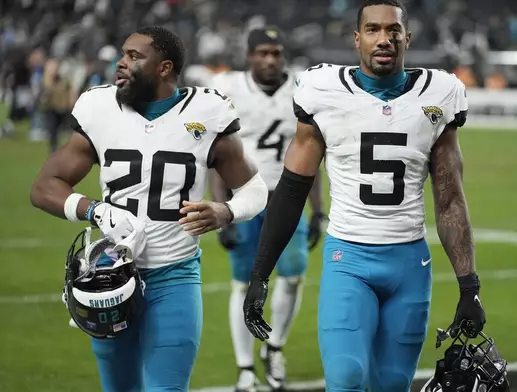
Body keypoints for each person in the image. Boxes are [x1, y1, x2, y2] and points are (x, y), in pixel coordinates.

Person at [242, 1, 487, 391]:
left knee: (392, 384)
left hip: (409, 264)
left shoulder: (439, 94)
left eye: (393, 30)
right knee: (346, 378)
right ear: (357, 39)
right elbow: (291, 189)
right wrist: (260, 273)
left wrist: (469, 287)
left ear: (407, 37)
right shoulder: (323, 91)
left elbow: (450, 199)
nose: (384, 38)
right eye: (373, 29)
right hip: (348, 262)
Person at [30, 26, 268, 392]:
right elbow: (44, 187)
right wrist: (94, 210)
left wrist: (226, 212)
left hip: (175, 276)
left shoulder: (206, 112)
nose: (121, 63)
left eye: (134, 56)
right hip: (110, 277)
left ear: (164, 67)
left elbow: (254, 188)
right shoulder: (99, 108)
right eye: (123, 54)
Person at [209, 26, 325, 392]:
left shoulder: (302, 89)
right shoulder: (229, 88)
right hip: (244, 197)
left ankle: (274, 349)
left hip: (286, 197)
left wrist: (318, 211)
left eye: (276, 52)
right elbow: (217, 153)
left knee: (292, 277)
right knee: (242, 284)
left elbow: (312, 152)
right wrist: (222, 207)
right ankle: (245, 368)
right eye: (263, 52)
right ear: (249, 56)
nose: (270, 59)